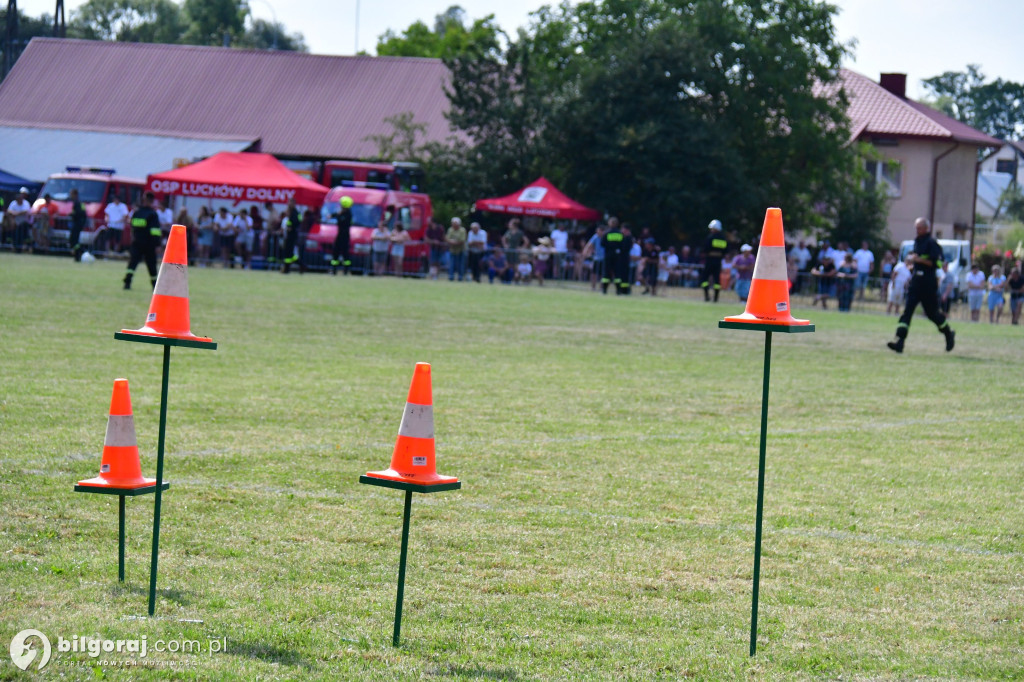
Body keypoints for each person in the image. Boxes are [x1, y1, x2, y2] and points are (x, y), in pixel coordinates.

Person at [887, 217, 955, 353]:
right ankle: (900, 341)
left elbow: (937, 263)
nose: (916, 230)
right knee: (907, 311)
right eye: (916, 227)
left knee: (932, 314)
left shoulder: (932, 243)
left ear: (926, 228)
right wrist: (914, 264)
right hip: (916, 283)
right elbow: (918, 259)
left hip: (928, 284)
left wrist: (919, 260)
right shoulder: (917, 242)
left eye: (919, 228)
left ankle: (948, 333)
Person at [122, 191, 161, 290]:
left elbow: (132, 227)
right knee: (151, 265)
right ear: (152, 201)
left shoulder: (137, 212)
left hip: (137, 242)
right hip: (149, 244)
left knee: (133, 263)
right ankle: (154, 286)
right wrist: (157, 244)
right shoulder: (153, 214)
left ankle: (127, 282)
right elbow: (155, 231)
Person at [700, 219, 728, 301]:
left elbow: (705, 249)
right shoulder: (723, 238)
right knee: (717, 280)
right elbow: (726, 250)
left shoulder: (710, 237)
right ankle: (716, 298)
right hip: (718, 261)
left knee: (705, 279)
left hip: (709, 260)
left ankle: (706, 296)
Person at [331, 195, 353, 275]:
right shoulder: (342, 213)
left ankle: (346, 271)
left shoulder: (348, 214)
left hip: (344, 237)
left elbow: (341, 220)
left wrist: (337, 215)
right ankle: (334, 271)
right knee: (335, 253)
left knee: (345, 254)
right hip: (339, 236)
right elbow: (336, 215)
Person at [280, 198, 303, 274]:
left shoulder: (296, 213)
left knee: (289, 252)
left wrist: (291, 228)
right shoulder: (291, 212)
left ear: (293, 203)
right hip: (289, 235)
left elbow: (298, 222)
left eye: (290, 203)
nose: (288, 204)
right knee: (289, 253)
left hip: (292, 236)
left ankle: (299, 265)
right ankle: (289, 268)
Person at [7, 187, 32, 253]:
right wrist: (16, 214)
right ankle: (15, 247)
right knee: (14, 234)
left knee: (21, 234)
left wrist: (16, 213)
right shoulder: (13, 203)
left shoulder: (26, 203)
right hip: (15, 223)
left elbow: (26, 211)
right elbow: (9, 211)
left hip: (23, 223)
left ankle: (20, 248)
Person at [582, 225, 606, 290]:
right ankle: (593, 287)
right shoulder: (595, 237)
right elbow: (589, 245)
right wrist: (585, 253)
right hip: (596, 258)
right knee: (594, 273)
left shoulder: (606, 237)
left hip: (604, 258)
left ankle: (602, 287)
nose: (597, 232)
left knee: (602, 274)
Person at [446, 217, 467, 281]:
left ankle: (460, 278)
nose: (453, 225)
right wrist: (455, 241)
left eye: (455, 224)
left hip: (461, 250)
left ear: (458, 224)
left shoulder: (462, 230)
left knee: (460, 265)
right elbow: (447, 239)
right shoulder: (450, 229)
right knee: (451, 264)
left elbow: (462, 240)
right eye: (453, 224)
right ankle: (451, 277)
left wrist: (452, 241)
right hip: (452, 250)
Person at [68, 188, 87, 261]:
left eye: (71, 194)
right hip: (78, 224)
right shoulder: (80, 203)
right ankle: (78, 254)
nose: (70, 195)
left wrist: (71, 215)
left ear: (75, 194)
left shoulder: (77, 203)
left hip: (77, 224)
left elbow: (79, 213)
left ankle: (80, 253)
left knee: (73, 240)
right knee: (74, 241)